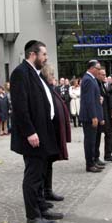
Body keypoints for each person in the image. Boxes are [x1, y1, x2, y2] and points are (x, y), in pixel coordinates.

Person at [10, 40, 62, 223]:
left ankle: (41, 208)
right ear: (33, 54)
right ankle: (33, 216)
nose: (46, 58)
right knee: (33, 176)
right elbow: (20, 107)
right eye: (44, 54)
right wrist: (30, 131)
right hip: (32, 135)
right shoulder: (20, 73)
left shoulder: (35, 73)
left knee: (40, 174)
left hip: (42, 133)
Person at [41, 64, 71, 203]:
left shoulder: (51, 89)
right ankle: (42, 194)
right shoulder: (44, 89)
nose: (54, 78)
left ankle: (48, 191)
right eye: (52, 75)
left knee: (49, 164)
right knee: (43, 165)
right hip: (47, 133)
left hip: (53, 132)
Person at [79, 60, 104, 173]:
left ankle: (93, 161)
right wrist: (94, 116)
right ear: (92, 68)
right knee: (89, 141)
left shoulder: (91, 79)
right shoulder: (88, 79)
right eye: (98, 69)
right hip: (89, 117)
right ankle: (89, 164)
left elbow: (92, 97)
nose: (99, 71)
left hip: (92, 115)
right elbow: (88, 101)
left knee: (93, 141)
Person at [95, 68, 112, 164]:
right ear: (98, 75)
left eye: (105, 75)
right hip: (100, 114)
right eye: (102, 74)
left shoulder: (103, 84)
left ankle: (108, 155)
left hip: (107, 113)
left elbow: (106, 95)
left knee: (110, 133)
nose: (104, 76)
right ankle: (96, 157)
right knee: (97, 136)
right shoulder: (96, 84)